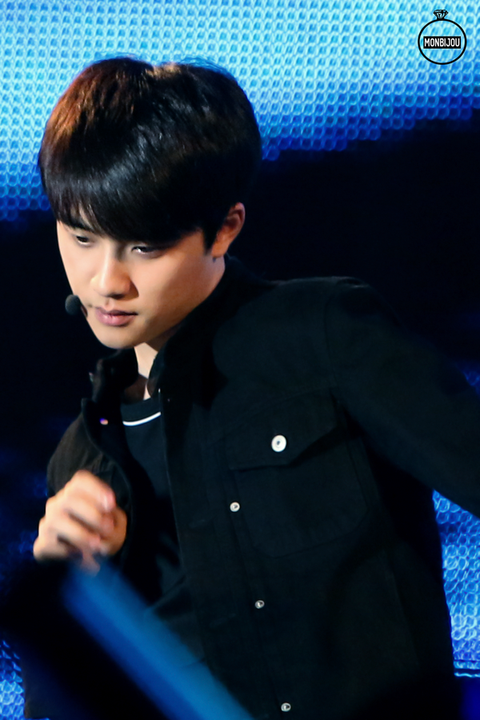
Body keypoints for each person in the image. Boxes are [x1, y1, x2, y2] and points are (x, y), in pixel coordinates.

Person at [28, 56, 480, 720]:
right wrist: (63, 598)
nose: (106, 282)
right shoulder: (81, 457)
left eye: (144, 247)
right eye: (82, 237)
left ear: (225, 228)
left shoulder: (322, 336)